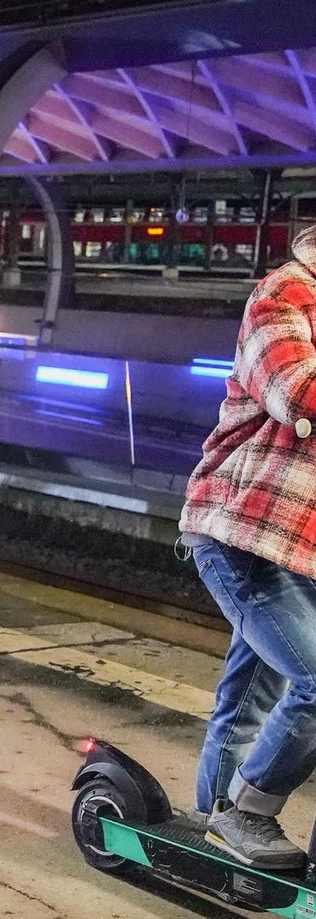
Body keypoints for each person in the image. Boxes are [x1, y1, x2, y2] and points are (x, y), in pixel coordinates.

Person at [179, 224, 316, 871]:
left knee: (248, 701)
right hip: (243, 534)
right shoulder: (285, 295)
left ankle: (215, 826)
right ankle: (248, 810)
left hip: (300, 551)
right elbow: (299, 392)